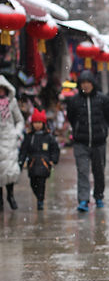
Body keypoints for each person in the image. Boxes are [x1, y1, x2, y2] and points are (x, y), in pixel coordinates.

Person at [66, 70, 109, 212]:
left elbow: (108, 117)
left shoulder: (102, 99)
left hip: (99, 142)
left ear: (93, 83)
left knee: (99, 171)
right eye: (83, 83)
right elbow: (72, 118)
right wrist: (78, 130)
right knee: (82, 172)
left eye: (88, 83)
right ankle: (83, 199)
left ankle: (98, 196)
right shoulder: (74, 101)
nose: (85, 86)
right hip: (81, 143)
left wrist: (103, 131)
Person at [18, 109, 60, 210]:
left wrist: (53, 160)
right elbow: (23, 150)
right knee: (33, 183)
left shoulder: (48, 137)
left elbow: (55, 149)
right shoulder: (29, 137)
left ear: (43, 123)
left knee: (41, 183)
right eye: (35, 122)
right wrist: (21, 162)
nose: (37, 125)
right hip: (32, 164)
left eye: (39, 122)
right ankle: (39, 197)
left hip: (44, 165)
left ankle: (40, 200)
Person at [0, 75, 24, 211]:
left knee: (9, 170)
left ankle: (10, 195)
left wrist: (16, 133)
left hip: (9, 140)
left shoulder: (12, 102)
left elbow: (19, 120)